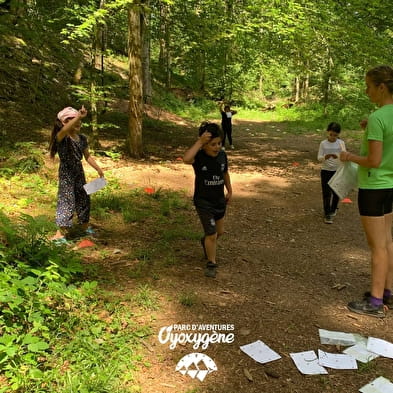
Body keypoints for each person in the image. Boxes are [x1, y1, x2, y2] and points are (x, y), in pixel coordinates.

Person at [340, 65, 393, 318]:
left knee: (378, 247)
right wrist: (368, 128)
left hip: (373, 187)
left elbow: (373, 160)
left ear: (381, 87)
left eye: (369, 86)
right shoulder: (380, 118)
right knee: (388, 242)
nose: (366, 91)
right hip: (391, 187)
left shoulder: (378, 118)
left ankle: (374, 302)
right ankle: (388, 293)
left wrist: (349, 156)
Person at [183, 122, 233, 278]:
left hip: (219, 200)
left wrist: (229, 190)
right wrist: (199, 142)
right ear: (204, 145)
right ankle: (211, 262)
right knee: (211, 234)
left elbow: (225, 173)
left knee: (219, 232)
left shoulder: (223, 156)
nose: (217, 147)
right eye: (212, 144)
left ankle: (206, 242)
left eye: (219, 143)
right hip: (203, 202)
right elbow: (186, 158)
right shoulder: (198, 157)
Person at [49, 106, 104, 242]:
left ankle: (85, 227)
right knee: (66, 200)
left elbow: (87, 156)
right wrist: (79, 116)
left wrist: (98, 169)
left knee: (84, 197)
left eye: (78, 120)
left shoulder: (82, 138)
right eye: (73, 120)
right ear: (64, 122)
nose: (78, 122)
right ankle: (60, 234)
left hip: (79, 171)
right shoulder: (62, 137)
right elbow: (65, 130)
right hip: (66, 172)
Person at [317, 122, 346, 224]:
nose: (333, 137)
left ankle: (333, 209)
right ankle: (327, 213)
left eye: (335, 135)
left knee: (336, 191)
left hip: (337, 170)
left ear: (338, 134)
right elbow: (319, 158)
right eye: (331, 134)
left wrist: (337, 156)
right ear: (327, 132)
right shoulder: (323, 143)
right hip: (325, 170)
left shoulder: (341, 143)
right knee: (326, 193)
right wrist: (326, 156)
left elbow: (344, 156)